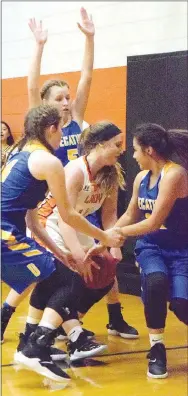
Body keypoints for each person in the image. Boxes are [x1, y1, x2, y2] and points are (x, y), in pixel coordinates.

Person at [27, 13, 138, 340]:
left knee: (104, 259)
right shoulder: (44, 128)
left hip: (83, 198)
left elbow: (87, 76)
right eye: (58, 98)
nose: (65, 102)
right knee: (59, 268)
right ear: (46, 106)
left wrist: (90, 38)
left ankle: (108, 318)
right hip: (52, 205)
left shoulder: (76, 121)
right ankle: (53, 325)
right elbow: (32, 86)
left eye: (67, 97)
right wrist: (39, 45)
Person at [1, 105, 124, 382]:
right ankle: (37, 345)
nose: (64, 138)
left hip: (13, 233)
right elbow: (66, 214)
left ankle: (33, 341)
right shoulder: (50, 161)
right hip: (5, 235)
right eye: (61, 129)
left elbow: (32, 220)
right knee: (69, 281)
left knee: (54, 277)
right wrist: (104, 237)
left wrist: (60, 253)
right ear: (51, 128)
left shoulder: (22, 154)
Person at [20, 121, 138, 360]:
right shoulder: (75, 170)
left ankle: (66, 329)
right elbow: (64, 218)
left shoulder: (111, 174)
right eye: (117, 144)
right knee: (69, 276)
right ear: (100, 144)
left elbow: (109, 215)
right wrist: (76, 255)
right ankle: (69, 335)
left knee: (104, 273)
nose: (121, 149)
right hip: (48, 223)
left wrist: (111, 245)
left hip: (76, 224)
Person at [88, 123, 188, 379]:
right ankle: (157, 349)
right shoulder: (142, 178)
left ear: (150, 150)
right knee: (155, 282)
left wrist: (116, 236)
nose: (132, 156)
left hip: (180, 248)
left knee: (180, 304)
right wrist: (103, 240)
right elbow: (132, 214)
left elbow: (153, 221)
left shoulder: (174, 174)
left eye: (135, 150)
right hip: (151, 246)